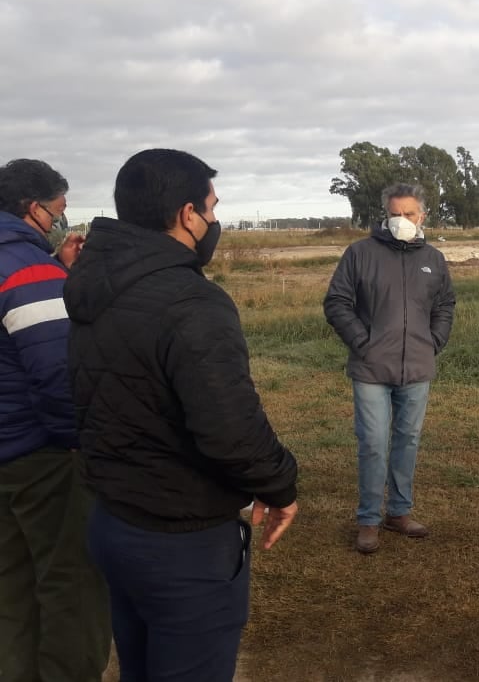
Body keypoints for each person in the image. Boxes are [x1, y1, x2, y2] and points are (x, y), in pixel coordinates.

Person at [63, 148, 299, 681]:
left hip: (111, 521)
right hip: (182, 542)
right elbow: (231, 431)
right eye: (211, 210)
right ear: (186, 215)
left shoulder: (90, 286)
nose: (214, 222)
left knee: (139, 668)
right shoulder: (192, 302)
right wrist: (281, 486)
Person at [0, 158, 109, 682]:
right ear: (33, 208)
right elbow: (56, 371)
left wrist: (57, 267)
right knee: (72, 585)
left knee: (11, 588)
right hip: (37, 457)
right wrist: (77, 443)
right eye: (59, 211)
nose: (62, 221)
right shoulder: (25, 268)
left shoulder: (29, 262)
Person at [324, 183, 455, 555]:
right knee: (373, 443)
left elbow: (445, 303)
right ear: (386, 215)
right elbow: (337, 302)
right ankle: (368, 519)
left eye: (409, 214)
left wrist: (434, 341)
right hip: (370, 368)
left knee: (407, 440)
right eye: (395, 214)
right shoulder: (359, 254)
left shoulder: (433, 258)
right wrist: (363, 343)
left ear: (422, 216)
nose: (402, 221)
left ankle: (399, 512)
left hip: (417, 366)